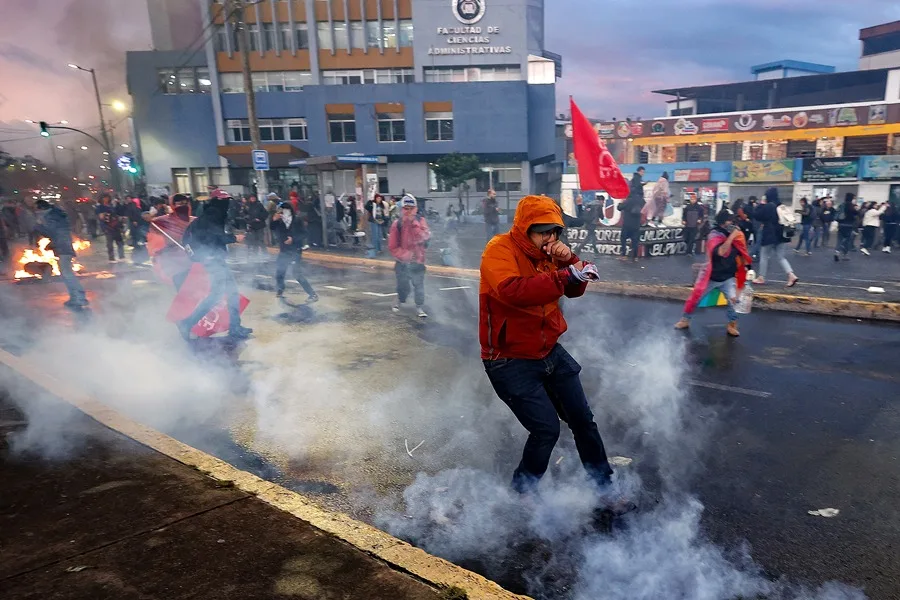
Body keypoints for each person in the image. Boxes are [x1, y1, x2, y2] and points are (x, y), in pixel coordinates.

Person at [479, 195, 617, 498]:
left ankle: (604, 489)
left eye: (555, 232)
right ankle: (521, 494)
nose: (550, 238)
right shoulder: (499, 249)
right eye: (543, 232)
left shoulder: (552, 255)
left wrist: (569, 260)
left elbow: (575, 289)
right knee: (546, 431)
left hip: (549, 349)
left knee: (583, 420)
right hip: (509, 358)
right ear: (525, 228)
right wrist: (565, 273)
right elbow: (513, 291)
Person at [179, 191, 252, 340]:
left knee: (232, 293)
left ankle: (235, 326)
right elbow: (214, 237)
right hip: (212, 260)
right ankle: (186, 323)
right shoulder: (213, 214)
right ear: (218, 201)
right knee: (216, 295)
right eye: (225, 201)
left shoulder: (209, 214)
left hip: (215, 259)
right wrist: (234, 238)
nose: (228, 204)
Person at [675, 209, 752, 337]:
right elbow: (721, 252)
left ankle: (732, 324)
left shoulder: (734, 234)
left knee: (733, 301)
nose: (732, 223)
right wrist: (732, 236)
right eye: (730, 220)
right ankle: (685, 319)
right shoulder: (714, 235)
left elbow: (742, 251)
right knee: (696, 297)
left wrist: (747, 269)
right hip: (712, 276)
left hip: (727, 276)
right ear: (723, 222)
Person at [33, 200, 89, 309]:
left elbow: (51, 232)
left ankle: (80, 297)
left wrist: (38, 226)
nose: (36, 212)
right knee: (65, 274)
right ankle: (74, 297)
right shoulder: (56, 214)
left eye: (37, 209)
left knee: (67, 274)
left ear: (41, 208)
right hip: (63, 246)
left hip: (63, 248)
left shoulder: (51, 216)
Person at [389, 196, 431, 318]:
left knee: (419, 285)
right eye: (406, 208)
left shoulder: (421, 221)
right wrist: (406, 255)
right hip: (402, 262)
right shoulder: (396, 225)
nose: (409, 211)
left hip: (418, 261)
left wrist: (414, 225)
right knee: (403, 286)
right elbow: (393, 246)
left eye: (411, 208)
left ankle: (419, 306)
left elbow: (425, 237)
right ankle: (399, 299)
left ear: (416, 209)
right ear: (402, 209)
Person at [271, 201, 318, 302]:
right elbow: (272, 228)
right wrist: (274, 220)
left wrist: (293, 239)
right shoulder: (279, 221)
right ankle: (280, 289)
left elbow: (304, 234)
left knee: (296, 273)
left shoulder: (297, 220)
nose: (283, 213)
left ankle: (312, 294)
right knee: (280, 271)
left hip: (295, 250)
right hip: (283, 250)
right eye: (281, 211)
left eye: (285, 210)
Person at [752, 188, 798, 286]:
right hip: (781, 235)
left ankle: (761, 277)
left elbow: (756, 215)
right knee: (781, 257)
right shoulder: (781, 206)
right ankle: (791, 275)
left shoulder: (768, 206)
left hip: (769, 235)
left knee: (764, 256)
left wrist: (761, 203)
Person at [617, 167, 644, 262]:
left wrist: (621, 202)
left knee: (623, 239)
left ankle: (624, 255)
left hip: (627, 224)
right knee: (635, 241)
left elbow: (619, 208)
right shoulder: (641, 201)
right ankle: (635, 257)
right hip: (636, 225)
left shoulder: (628, 200)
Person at [96, 193, 125, 262]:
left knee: (120, 242)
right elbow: (101, 217)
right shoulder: (100, 207)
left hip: (116, 226)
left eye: (107, 198)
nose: (106, 199)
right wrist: (107, 213)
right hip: (107, 227)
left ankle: (122, 256)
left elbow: (117, 213)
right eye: (104, 198)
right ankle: (111, 258)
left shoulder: (112, 206)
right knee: (110, 243)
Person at [833, 193, 859, 262]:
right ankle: (845, 255)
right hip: (849, 225)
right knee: (847, 241)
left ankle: (837, 251)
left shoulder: (842, 205)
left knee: (839, 239)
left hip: (841, 225)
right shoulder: (851, 206)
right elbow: (856, 214)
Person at [244, 194, 268, 260]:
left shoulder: (259, 205)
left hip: (259, 225)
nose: (253, 199)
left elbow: (265, 213)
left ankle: (265, 253)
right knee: (253, 240)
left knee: (260, 240)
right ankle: (255, 254)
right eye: (251, 197)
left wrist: (259, 218)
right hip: (251, 225)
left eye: (254, 197)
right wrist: (248, 220)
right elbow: (244, 214)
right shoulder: (247, 205)